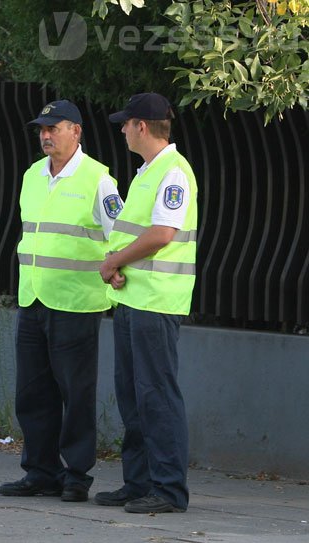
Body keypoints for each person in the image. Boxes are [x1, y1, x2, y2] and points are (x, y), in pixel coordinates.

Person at [0, 100, 122, 503]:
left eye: (54, 128)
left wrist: (118, 271)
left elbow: (119, 236)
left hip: (76, 303)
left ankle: (76, 476)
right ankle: (40, 472)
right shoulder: (33, 175)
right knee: (33, 394)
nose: (46, 135)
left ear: (77, 132)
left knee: (76, 394)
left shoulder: (98, 180)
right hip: (33, 298)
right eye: (41, 129)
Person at [97, 92, 198, 514]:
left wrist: (115, 261)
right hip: (133, 296)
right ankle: (139, 484)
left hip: (156, 302)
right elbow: (136, 234)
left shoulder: (173, 172)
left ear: (141, 126)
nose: (121, 130)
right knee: (133, 396)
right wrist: (118, 265)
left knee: (156, 395)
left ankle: (169, 490)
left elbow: (162, 234)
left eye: (125, 123)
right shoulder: (147, 172)